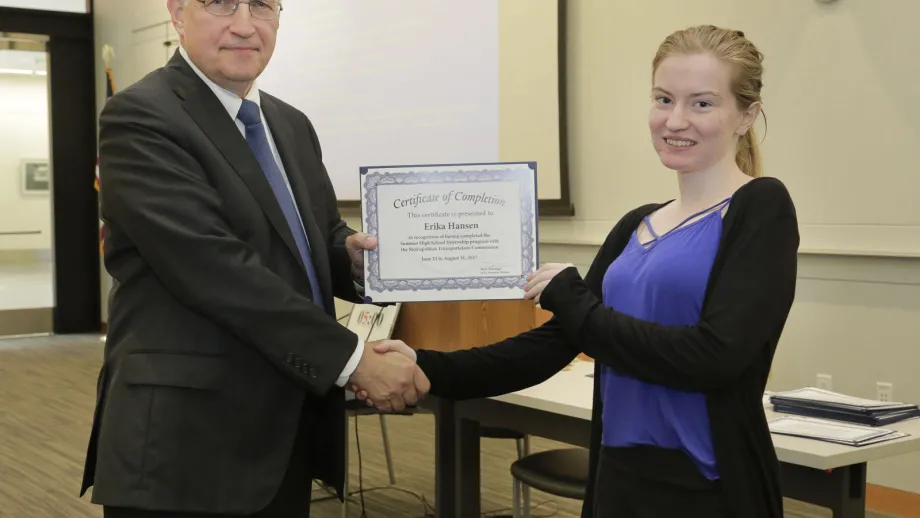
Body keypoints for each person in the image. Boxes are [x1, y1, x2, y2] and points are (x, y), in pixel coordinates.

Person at [359, 25, 799, 518]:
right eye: (663, 99)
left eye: (701, 103)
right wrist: (425, 365)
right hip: (618, 476)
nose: (675, 120)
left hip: (708, 488)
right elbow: (547, 348)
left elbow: (714, 357)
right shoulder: (638, 224)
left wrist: (574, 301)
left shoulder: (761, 206)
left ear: (747, 115)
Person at [79, 0, 429, 517]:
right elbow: (212, 268)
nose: (245, 24)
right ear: (178, 13)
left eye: (262, 5)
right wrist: (353, 361)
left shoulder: (289, 123)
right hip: (187, 446)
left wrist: (348, 256)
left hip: (284, 431)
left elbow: (309, 237)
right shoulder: (141, 115)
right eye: (221, 3)